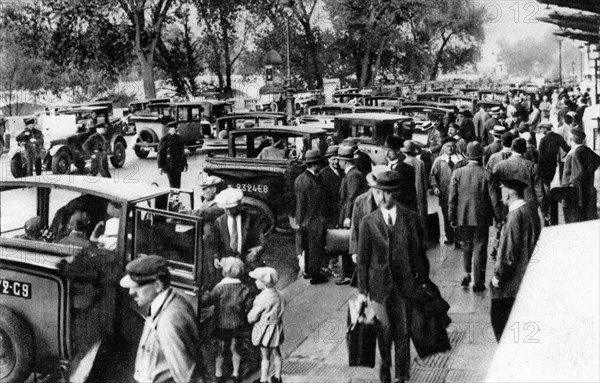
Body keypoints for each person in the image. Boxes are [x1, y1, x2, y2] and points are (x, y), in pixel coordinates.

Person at [356, 170, 429, 383]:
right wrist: (362, 292)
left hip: (406, 286)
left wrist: (422, 281)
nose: (382, 198)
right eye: (379, 193)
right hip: (379, 287)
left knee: (403, 333)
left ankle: (402, 376)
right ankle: (385, 368)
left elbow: (419, 254)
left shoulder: (410, 218)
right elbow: (362, 260)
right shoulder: (368, 222)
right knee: (384, 332)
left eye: (387, 193)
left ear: (394, 194)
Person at [119, 255, 206, 382]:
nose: (131, 292)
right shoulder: (168, 303)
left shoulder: (168, 320)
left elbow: (187, 377)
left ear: (157, 285)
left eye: (137, 286)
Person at [490, 178, 541, 341]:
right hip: (527, 278)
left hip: (511, 284)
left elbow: (508, 254)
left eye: (502, 190)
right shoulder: (529, 211)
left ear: (509, 193)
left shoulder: (513, 217)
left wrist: (498, 277)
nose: (500, 194)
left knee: (501, 325)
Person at [448, 142, 495, 292]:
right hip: (481, 217)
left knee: (466, 246)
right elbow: (494, 199)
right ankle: (478, 282)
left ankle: (466, 274)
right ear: (481, 156)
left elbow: (452, 198)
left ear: (465, 156)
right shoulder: (487, 174)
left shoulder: (457, 173)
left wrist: (451, 217)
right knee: (480, 248)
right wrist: (499, 217)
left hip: (462, 216)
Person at [202, 257, 252, 383]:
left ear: (225, 271)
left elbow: (209, 301)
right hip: (237, 323)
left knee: (221, 350)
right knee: (235, 348)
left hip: (221, 323)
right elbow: (248, 305)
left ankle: (218, 374)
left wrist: (205, 295)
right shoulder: (244, 288)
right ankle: (235, 374)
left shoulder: (220, 287)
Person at [181, 175, 225, 289]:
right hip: (206, 240)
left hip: (213, 243)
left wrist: (181, 212)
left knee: (212, 269)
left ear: (214, 189)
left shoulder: (219, 205)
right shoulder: (209, 200)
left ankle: (213, 291)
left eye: (205, 189)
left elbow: (201, 213)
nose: (202, 192)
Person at [294, 150, 329, 284]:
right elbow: (308, 204)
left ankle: (308, 271)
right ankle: (315, 275)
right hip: (312, 221)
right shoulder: (310, 181)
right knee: (314, 248)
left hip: (305, 220)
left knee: (308, 248)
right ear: (314, 164)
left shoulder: (302, 178)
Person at [212, 188, 266, 271]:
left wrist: (258, 249)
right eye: (226, 209)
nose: (229, 212)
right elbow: (216, 243)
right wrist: (216, 257)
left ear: (240, 205)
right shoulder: (219, 222)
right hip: (229, 265)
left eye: (232, 208)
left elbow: (261, 240)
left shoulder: (253, 218)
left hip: (249, 263)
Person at [247, 267, 284, 383]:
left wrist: (250, 319)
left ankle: (263, 379)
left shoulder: (262, 298)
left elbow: (253, 316)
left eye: (257, 280)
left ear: (263, 283)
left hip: (264, 329)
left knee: (265, 356)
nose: (255, 282)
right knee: (276, 352)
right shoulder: (280, 294)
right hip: (276, 327)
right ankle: (277, 376)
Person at [561, 128, 600, 223]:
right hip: (588, 189)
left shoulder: (573, 154)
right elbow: (597, 161)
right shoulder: (587, 150)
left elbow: (575, 175)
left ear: (571, 140)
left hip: (575, 193)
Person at [430, 137, 463, 247]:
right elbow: (433, 175)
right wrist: (435, 186)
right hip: (444, 193)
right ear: (443, 147)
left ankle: (459, 238)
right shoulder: (439, 160)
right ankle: (449, 237)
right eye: (448, 146)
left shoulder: (461, 160)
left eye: (452, 146)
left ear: (456, 146)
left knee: (458, 215)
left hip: (458, 193)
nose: (450, 148)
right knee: (446, 214)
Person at [383, 135, 417, 211]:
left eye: (390, 150)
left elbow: (411, 196)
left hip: (401, 211)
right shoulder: (381, 167)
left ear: (398, 151)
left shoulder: (407, 169)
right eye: (385, 150)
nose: (386, 153)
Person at [401, 140, 428, 229]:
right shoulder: (420, 163)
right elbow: (424, 181)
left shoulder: (403, 163)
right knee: (421, 212)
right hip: (420, 191)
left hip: (409, 192)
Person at [316, 145, 342, 229]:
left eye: (338, 159)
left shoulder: (343, 171)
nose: (336, 162)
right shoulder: (322, 174)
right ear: (328, 160)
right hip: (328, 212)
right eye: (333, 159)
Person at [157, 121, 188, 188]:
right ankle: (173, 197)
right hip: (169, 166)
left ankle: (176, 197)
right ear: (170, 128)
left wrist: (185, 164)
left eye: (176, 128)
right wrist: (160, 166)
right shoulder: (164, 139)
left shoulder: (179, 138)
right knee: (172, 184)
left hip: (178, 166)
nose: (176, 129)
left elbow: (182, 152)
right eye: (175, 128)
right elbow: (160, 153)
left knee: (178, 185)